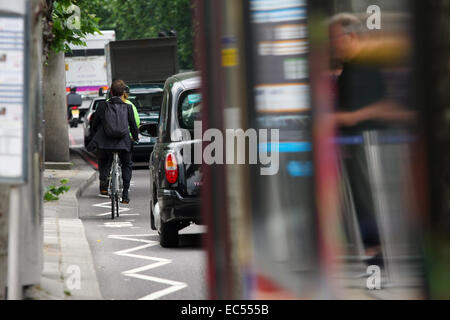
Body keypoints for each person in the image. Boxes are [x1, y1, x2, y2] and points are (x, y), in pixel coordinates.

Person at [329, 13, 415, 266]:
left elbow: (389, 105)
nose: (333, 45)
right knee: (361, 197)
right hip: (356, 145)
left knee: (371, 196)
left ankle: (378, 251)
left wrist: (352, 116)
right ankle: (372, 249)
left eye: (335, 39)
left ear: (350, 36)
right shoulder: (350, 69)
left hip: (372, 143)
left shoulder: (366, 68)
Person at [90, 79, 139, 204]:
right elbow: (133, 126)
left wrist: (95, 133)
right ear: (123, 92)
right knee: (127, 164)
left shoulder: (102, 106)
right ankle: (125, 194)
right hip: (123, 143)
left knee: (104, 158)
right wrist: (136, 138)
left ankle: (103, 180)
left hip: (105, 142)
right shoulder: (128, 107)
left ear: (111, 92)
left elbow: (94, 124)